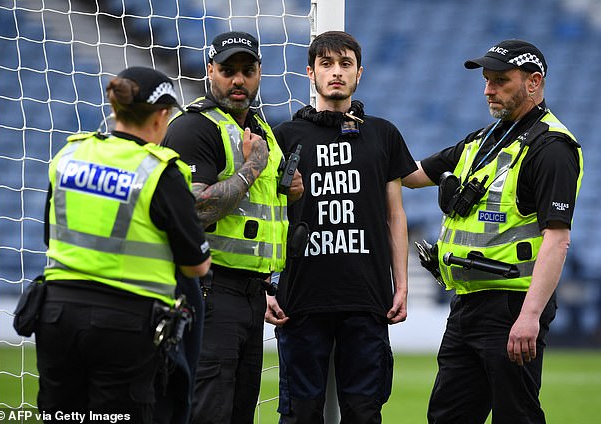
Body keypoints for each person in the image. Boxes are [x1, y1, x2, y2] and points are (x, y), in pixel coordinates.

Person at [402, 39, 583, 423]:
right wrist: (370, 138)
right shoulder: (482, 140)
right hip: (467, 304)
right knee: (447, 417)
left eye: (500, 80)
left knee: (515, 416)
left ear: (534, 82)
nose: (488, 89)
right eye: (486, 80)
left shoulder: (552, 147)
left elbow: (558, 238)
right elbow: (412, 175)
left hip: (512, 308)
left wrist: (530, 316)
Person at [37, 66, 212, 423]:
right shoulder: (160, 172)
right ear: (162, 115)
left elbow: (49, 236)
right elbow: (197, 265)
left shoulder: (68, 157)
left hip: (56, 315)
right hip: (124, 324)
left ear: (116, 110)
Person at [266, 31, 416, 423]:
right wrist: (268, 283)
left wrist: (402, 284)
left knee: (364, 413)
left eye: (345, 64)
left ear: (359, 73)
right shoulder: (285, 137)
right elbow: (268, 215)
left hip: (367, 296)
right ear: (310, 72)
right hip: (300, 297)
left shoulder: (383, 133)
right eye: (327, 64)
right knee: (300, 413)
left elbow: (394, 215)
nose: (336, 72)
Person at [162, 31, 301, 424]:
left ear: (260, 73)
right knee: (210, 411)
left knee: (239, 411)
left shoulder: (260, 128)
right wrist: (252, 167)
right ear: (210, 71)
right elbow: (191, 211)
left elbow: (259, 209)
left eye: (247, 70)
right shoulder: (194, 128)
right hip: (210, 291)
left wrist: (291, 189)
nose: (238, 80)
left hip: (251, 293)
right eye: (227, 70)